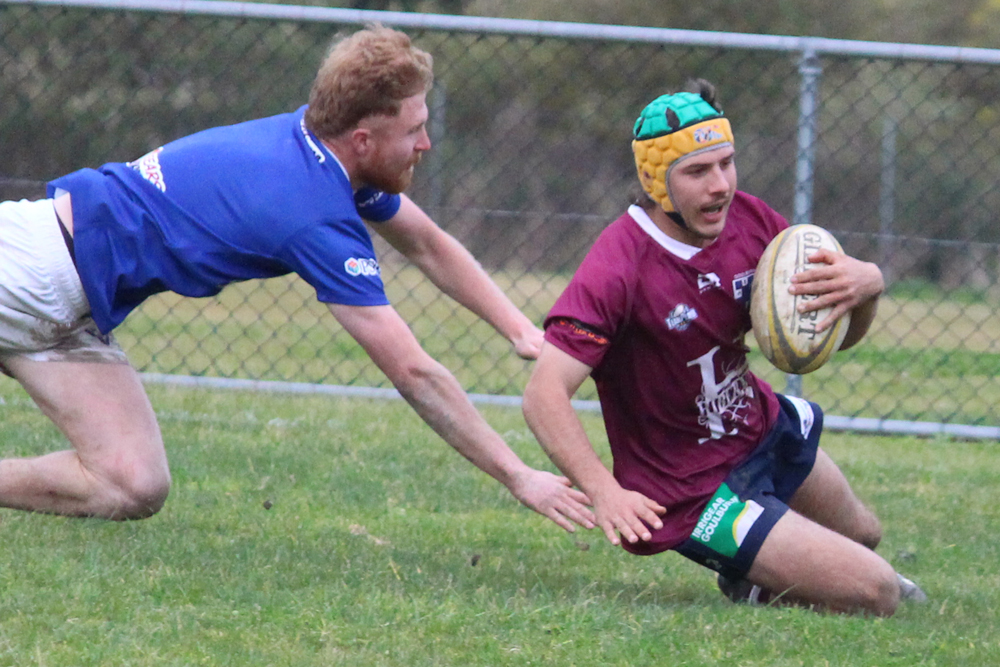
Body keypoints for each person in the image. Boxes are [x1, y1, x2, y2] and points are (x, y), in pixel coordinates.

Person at [0, 25, 596, 535]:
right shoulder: (310, 211)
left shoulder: (321, 153)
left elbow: (428, 244)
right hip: (22, 271)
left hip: (68, 311)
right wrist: (519, 476)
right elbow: (415, 373)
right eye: (414, 129)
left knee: (133, 483)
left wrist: (520, 329)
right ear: (363, 139)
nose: (426, 142)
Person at [522, 80, 925, 616]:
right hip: (693, 487)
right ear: (654, 180)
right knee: (876, 592)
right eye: (697, 172)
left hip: (759, 427)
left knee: (864, 535)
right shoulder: (618, 266)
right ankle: (755, 581)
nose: (720, 186)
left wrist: (866, 287)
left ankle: (752, 573)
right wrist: (603, 490)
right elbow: (543, 394)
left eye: (726, 164)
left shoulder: (752, 223)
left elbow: (824, 342)